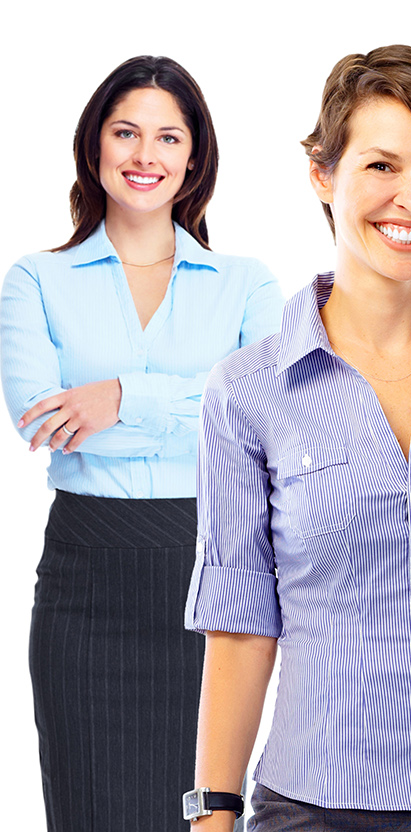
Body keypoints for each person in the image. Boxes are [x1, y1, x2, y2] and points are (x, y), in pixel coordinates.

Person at [185, 45, 411, 831]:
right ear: (323, 175)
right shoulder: (247, 391)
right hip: (317, 804)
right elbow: (242, 625)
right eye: (382, 166)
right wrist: (212, 815)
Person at [0, 55, 281, 832]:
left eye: (167, 137)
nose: (145, 155)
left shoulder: (245, 282)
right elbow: (39, 418)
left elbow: (264, 421)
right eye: (126, 133)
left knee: (206, 814)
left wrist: (120, 398)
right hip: (85, 578)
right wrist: (198, 406)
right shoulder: (36, 279)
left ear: (195, 158)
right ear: (95, 147)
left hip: (213, 574)